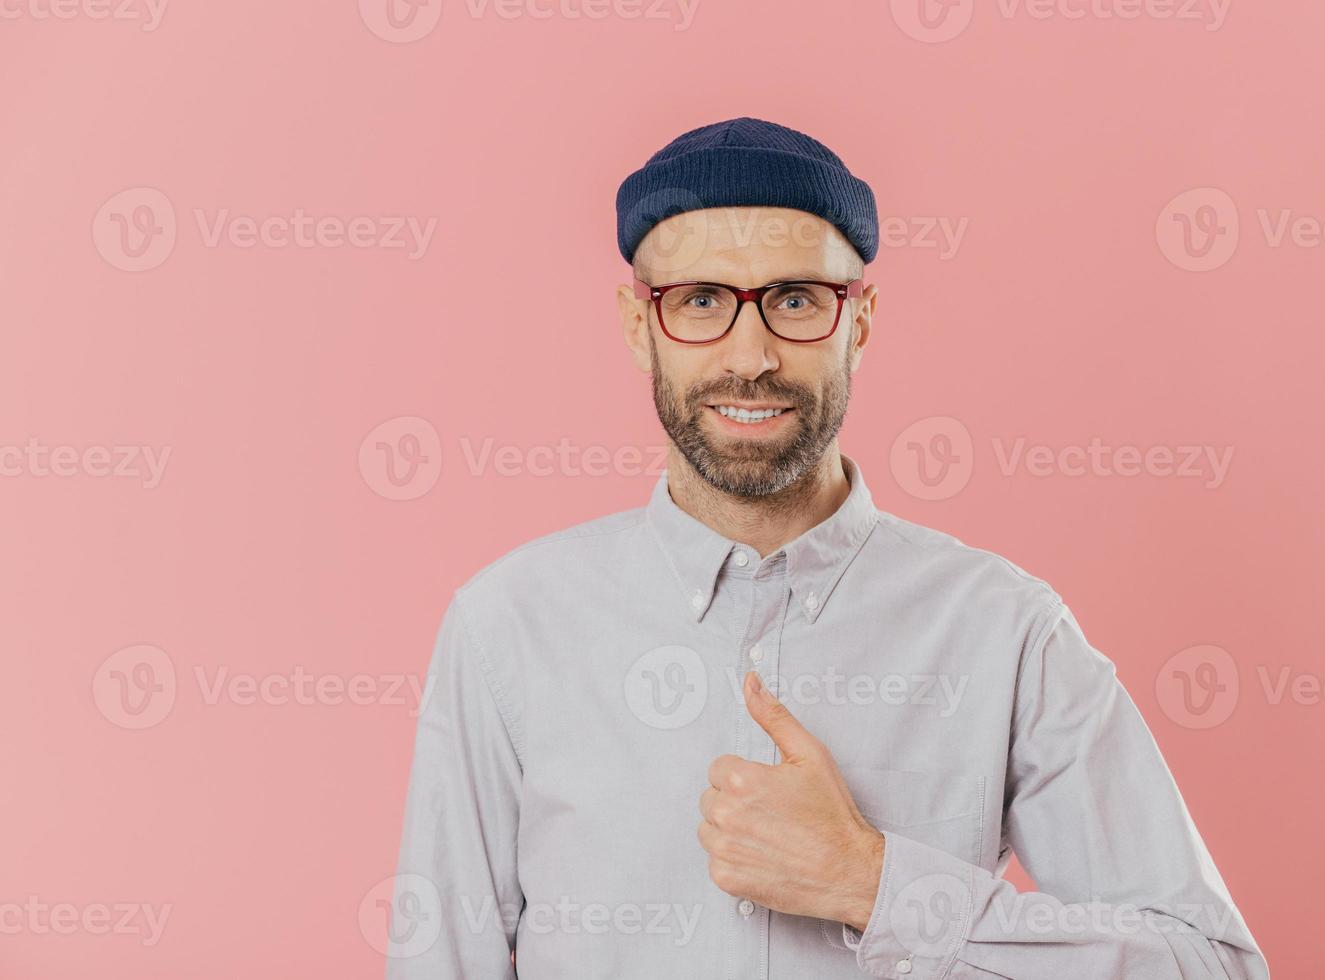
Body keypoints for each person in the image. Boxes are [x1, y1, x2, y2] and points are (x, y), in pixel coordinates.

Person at [384, 116, 1269, 979]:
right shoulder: (507, 627)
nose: (752, 355)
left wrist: (875, 884)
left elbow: (1210, 965)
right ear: (636, 325)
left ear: (862, 320)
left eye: (796, 300)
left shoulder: (1005, 632)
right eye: (699, 302)